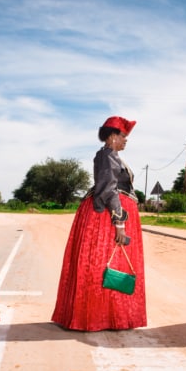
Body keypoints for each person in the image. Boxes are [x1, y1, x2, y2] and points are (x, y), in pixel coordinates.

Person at [52, 116, 146, 331]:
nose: (126, 141)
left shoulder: (112, 156)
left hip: (109, 214)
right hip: (105, 217)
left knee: (109, 264)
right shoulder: (107, 156)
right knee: (103, 264)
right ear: (112, 136)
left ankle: (110, 314)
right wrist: (119, 222)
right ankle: (99, 315)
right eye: (123, 137)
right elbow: (108, 190)